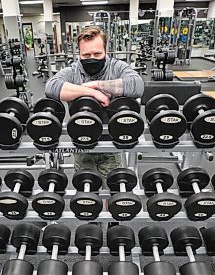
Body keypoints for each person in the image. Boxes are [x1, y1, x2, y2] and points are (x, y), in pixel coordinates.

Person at [45, 26, 144, 180]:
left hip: (112, 143)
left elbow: (137, 85)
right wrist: (92, 92)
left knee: (111, 193)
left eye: (97, 54)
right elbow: (51, 87)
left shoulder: (116, 67)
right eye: (86, 55)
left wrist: (97, 84)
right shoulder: (73, 71)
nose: (92, 58)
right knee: (86, 194)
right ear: (79, 54)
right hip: (81, 144)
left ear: (106, 52)